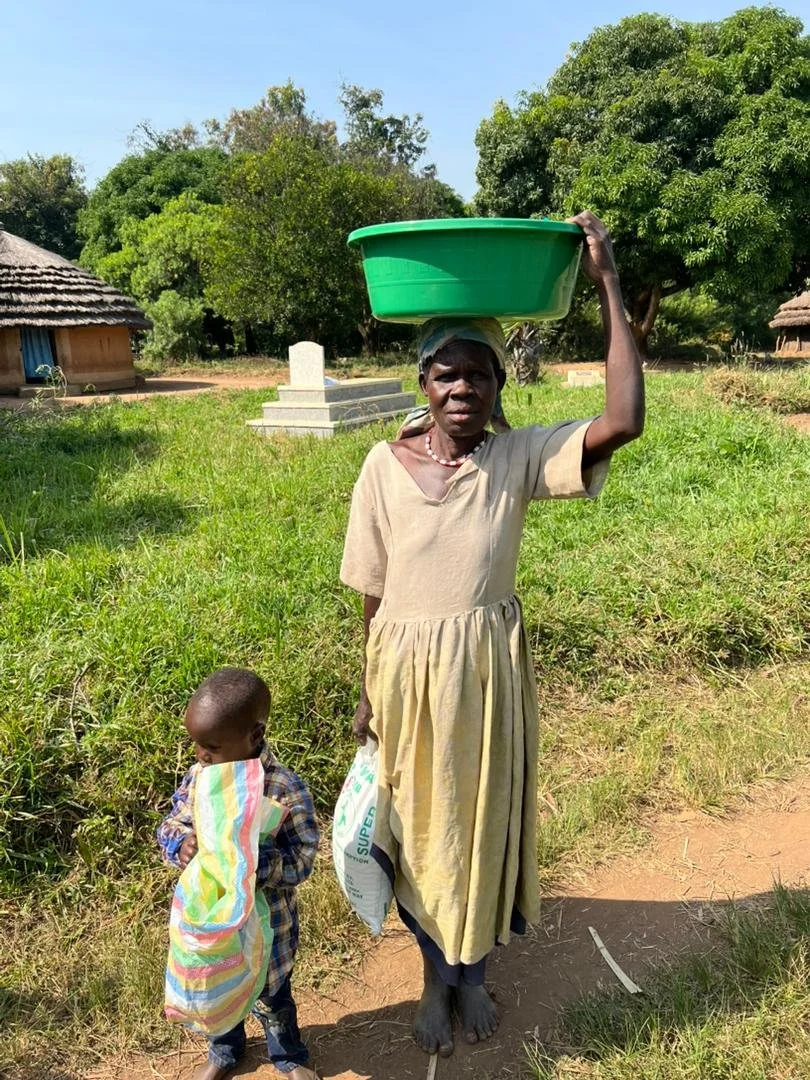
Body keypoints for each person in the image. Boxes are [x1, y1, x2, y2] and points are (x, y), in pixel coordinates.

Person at [340, 212, 644, 1057]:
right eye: (447, 374)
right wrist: (368, 689)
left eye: (480, 374)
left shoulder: (513, 460)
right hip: (405, 677)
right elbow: (370, 590)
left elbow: (623, 419)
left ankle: (471, 973)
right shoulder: (380, 467)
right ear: (424, 383)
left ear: (500, 388)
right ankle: (434, 975)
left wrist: (607, 283)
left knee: (476, 827)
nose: (463, 389)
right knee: (413, 833)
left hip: (485, 674)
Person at [156, 668, 320, 1080]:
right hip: (216, 928)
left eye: (211, 746)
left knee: (273, 996)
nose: (200, 756)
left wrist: (257, 863)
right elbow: (170, 824)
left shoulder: (282, 789)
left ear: (254, 735)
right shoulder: (201, 780)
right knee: (220, 990)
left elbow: (302, 858)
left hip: (271, 930)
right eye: (196, 745)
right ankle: (225, 1052)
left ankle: (288, 1056)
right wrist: (182, 844)